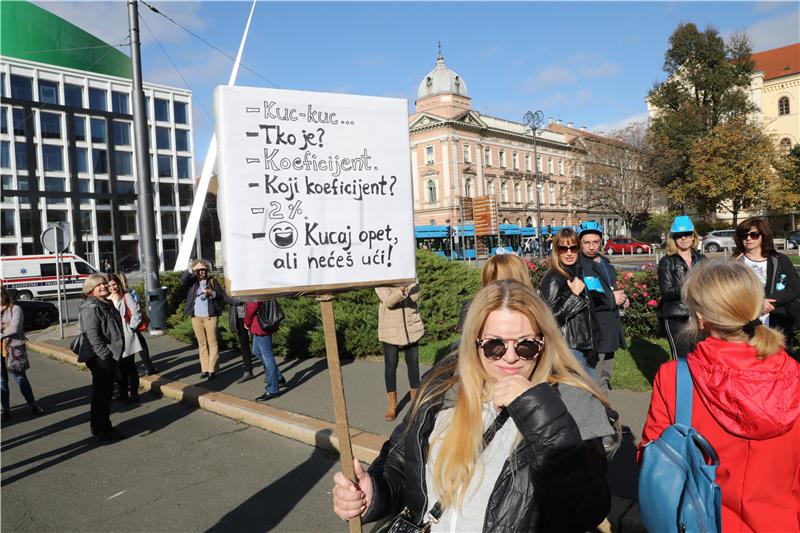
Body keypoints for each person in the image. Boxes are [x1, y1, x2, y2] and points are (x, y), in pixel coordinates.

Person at [333, 280, 615, 531]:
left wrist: (539, 413)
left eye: (526, 345)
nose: (510, 357)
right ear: (474, 344)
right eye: (494, 345)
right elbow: (399, 466)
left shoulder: (570, 401)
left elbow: (584, 512)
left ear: (544, 343)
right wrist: (373, 493)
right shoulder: (443, 387)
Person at [639, 259, 800, 531]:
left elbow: (652, 459)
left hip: (702, 522)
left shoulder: (675, 378)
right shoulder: (795, 374)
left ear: (701, 318)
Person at [733, 217, 800, 359]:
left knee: (781, 363)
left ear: (764, 236)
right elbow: (728, 292)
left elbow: (795, 288)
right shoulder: (734, 262)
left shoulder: (780, 260)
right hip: (745, 324)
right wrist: (758, 303)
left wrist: (771, 302)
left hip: (778, 321)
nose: (748, 239)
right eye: (744, 235)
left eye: (754, 235)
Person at [578, 221, 627, 394]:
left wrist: (622, 298)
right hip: (596, 326)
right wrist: (612, 299)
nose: (591, 247)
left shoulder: (605, 261)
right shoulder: (580, 265)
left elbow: (609, 288)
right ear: (580, 243)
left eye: (595, 242)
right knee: (595, 376)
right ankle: (599, 410)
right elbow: (587, 295)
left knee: (606, 372)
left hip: (611, 325)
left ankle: (604, 407)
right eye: (586, 243)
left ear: (601, 242)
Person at [539, 228, 598, 371]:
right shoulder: (553, 278)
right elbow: (549, 319)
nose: (569, 253)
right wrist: (574, 296)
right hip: (569, 350)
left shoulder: (577, 272)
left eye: (573, 248)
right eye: (563, 249)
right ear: (556, 251)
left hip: (585, 347)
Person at [77, 274, 125, 441]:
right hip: (101, 357)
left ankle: (98, 426)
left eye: (104, 283)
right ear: (91, 290)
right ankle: (103, 428)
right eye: (98, 285)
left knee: (102, 393)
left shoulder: (105, 303)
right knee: (103, 395)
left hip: (107, 355)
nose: (103, 286)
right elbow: (92, 335)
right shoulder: (92, 307)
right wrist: (105, 355)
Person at [657, 216, 706, 359]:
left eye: (687, 234)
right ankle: (681, 382)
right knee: (682, 359)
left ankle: (696, 382)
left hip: (700, 316)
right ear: (673, 238)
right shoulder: (667, 262)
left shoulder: (702, 259)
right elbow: (666, 293)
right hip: (676, 317)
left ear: (693, 236)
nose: (683, 238)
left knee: (700, 357)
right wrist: (691, 287)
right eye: (679, 235)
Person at [376, 282, 424, 421]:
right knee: (391, 365)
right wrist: (402, 291)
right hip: (390, 328)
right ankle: (392, 405)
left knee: (413, 363)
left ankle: (416, 402)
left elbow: (415, 296)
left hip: (410, 326)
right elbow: (389, 301)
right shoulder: (381, 278)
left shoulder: (408, 273)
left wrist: (407, 290)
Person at [1, 286, 44, 421]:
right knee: (1, 382)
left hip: (13, 350)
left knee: (20, 379)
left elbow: (15, 327)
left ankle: (32, 405)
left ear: (5, 295)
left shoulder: (15, 309)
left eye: (0, 294)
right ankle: (6, 410)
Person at [181, 259, 226, 379]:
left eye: (203, 270)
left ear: (207, 270)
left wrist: (212, 293)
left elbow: (221, 295)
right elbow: (183, 279)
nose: (201, 272)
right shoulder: (193, 282)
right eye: (199, 270)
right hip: (196, 317)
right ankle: (205, 369)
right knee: (202, 343)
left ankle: (213, 370)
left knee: (212, 342)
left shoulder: (212, 281)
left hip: (210, 317)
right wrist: (192, 268)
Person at [107, 274, 142, 403]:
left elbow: (136, 312)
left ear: (118, 284)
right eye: (109, 285)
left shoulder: (126, 296)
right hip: (114, 338)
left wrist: (132, 328)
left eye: (114, 284)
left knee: (130, 366)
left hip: (126, 335)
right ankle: (123, 392)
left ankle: (134, 393)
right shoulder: (107, 299)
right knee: (118, 367)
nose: (112, 287)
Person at [115, 272, 157, 375]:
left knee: (134, 345)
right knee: (139, 344)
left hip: (127, 325)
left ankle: (137, 369)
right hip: (131, 324)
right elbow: (137, 304)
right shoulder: (131, 292)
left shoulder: (121, 294)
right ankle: (148, 367)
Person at [244, 299, 286, 400]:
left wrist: (246, 322)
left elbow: (252, 306)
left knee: (267, 357)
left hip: (260, 325)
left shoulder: (254, 285)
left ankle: (272, 390)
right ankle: (278, 377)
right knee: (256, 350)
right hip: (260, 323)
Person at [228, 298, 255, 384]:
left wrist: (240, 298)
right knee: (244, 345)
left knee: (258, 346)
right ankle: (248, 371)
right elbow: (225, 296)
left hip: (252, 314)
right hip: (239, 316)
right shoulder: (231, 284)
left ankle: (269, 372)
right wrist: (236, 300)